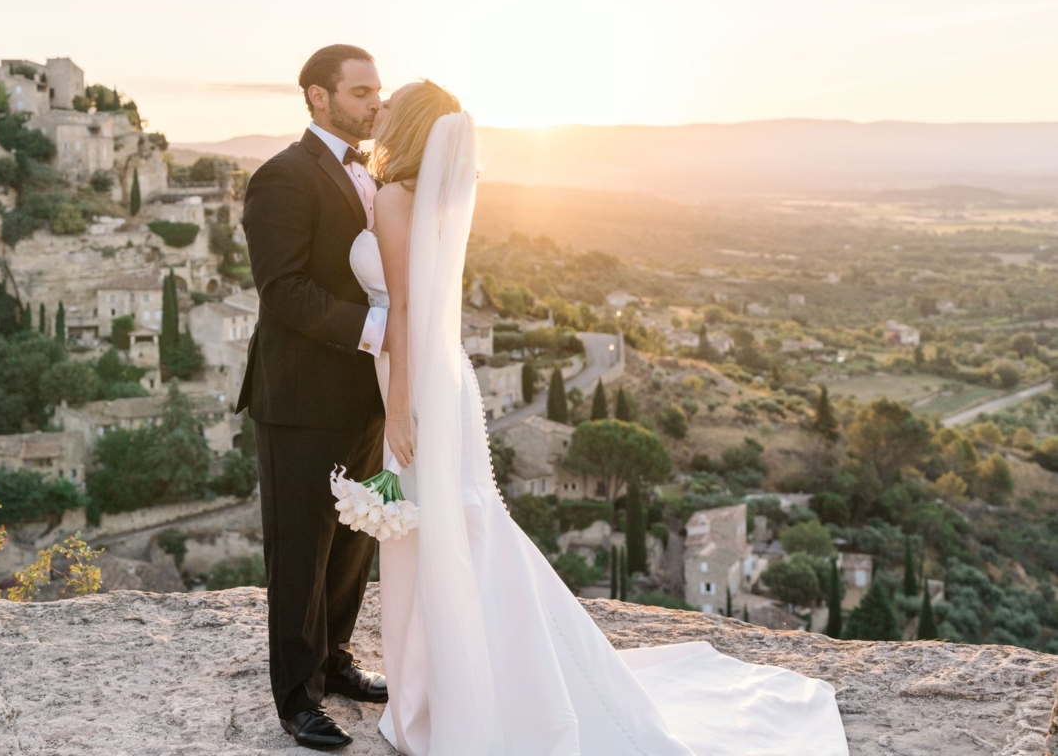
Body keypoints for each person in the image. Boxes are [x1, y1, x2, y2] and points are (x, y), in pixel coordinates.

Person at [355, 79, 850, 756]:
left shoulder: (391, 195)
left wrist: (396, 410)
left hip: (416, 383)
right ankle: (477, 682)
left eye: (390, 102)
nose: (378, 110)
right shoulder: (432, 194)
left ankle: (456, 697)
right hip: (448, 377)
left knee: (444, 529)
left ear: (406, 123)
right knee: (461, 527)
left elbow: (404, 310)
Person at [237, 44, 391, 750]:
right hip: (298, 398)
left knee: (353, 544)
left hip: (365, 395)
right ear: (316, 97)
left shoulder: (375, 172)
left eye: (377, 92)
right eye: (360, 92)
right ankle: (296, 697)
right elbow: (285, 290)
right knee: (300, 552)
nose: (374, 105)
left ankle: (333, 661)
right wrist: (377, 329)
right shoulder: (281, 178)